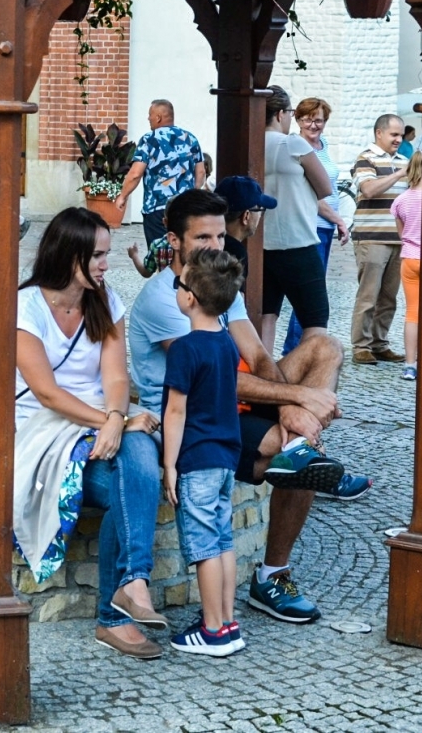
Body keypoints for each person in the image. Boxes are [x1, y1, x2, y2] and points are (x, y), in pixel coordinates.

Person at [130, 189, 354, 625]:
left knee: (324, 347)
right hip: (197, 417)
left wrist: (290, 408)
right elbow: (212, 377)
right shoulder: (168, 297)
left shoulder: (216, 282)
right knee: (297, 455)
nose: (215, 247)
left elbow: (259, 355)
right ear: (173, 240)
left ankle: (271, 573)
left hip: (236, 403)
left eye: (219, 236)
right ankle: (269, 577)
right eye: (202, 239)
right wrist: (297, 397)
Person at [14, 208, 165, 659]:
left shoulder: (105, 300)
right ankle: (116, 613)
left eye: (106, 254)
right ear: (69, 254)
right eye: (97, 255)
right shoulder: (26, 307)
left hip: (105, 417)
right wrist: (113, 421)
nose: (105, 264)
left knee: (138, 454)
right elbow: (47, 393)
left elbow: (117, 379)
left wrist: (117, 417)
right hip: (45, 430)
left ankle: (132, 585)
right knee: (132, 482)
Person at [161, 246, 246, 657]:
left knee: (204, 547)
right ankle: (228, 621)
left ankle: (212, 630)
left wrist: (169, 464)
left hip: (196, 460)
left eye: (180, 283)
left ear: (190, 297)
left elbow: (176, 411)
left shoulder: (185, 348)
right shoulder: (228, 344)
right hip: (226, 458)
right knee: (224, 540)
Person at [258, 88, 336, 357]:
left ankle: (262, 377)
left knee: (266, 315)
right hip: (298, 240)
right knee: (315, 319)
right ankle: (307, 380)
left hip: (262, 243)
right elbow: (325, 187)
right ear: (280, 114)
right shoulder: (293, 144)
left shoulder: (250, 143)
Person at [283, 97, 348, 356]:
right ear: (297, 120)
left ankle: (302, 351)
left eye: (318, 119)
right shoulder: (296, 147)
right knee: (309, 293)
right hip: (309, 225)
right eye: (308, 118)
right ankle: (294, 352)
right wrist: (339, 219)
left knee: (314, 290)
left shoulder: (323, 145)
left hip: (325, 227)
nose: (313, 124)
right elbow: (312, 195)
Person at [349, 113, 408, 364]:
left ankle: (379, 343)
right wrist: (399, 174)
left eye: (401, 136)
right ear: (379, 133)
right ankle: (360, 346)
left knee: (388, 297)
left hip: (398, 238)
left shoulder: (404, 160)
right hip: (372, 237)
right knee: (368, 295)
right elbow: (369, 189)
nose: (398, 140)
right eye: (394, 135)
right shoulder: (366, 158)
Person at [114, 99, 205, 246]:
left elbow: (135, 174)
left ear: (158, 117)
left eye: (150, 114)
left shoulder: (149, 140)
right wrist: (191, 197)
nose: (148, 118)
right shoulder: (190, 139)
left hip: (157, 209)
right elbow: (200, 173)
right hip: (185, 209)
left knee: (160, 256)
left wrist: (122, 196)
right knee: (183, 253)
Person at [389, 151, 422, 381]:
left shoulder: (400, 200)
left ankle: (409, 365)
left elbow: (402, 234)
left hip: (410, 258)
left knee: (412, 312)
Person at [212, 175, 275, 281]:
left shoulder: (205, 243)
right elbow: (234, 296)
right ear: (246, 216)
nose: (260, 216)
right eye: (260, 209)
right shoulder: (236, 253)